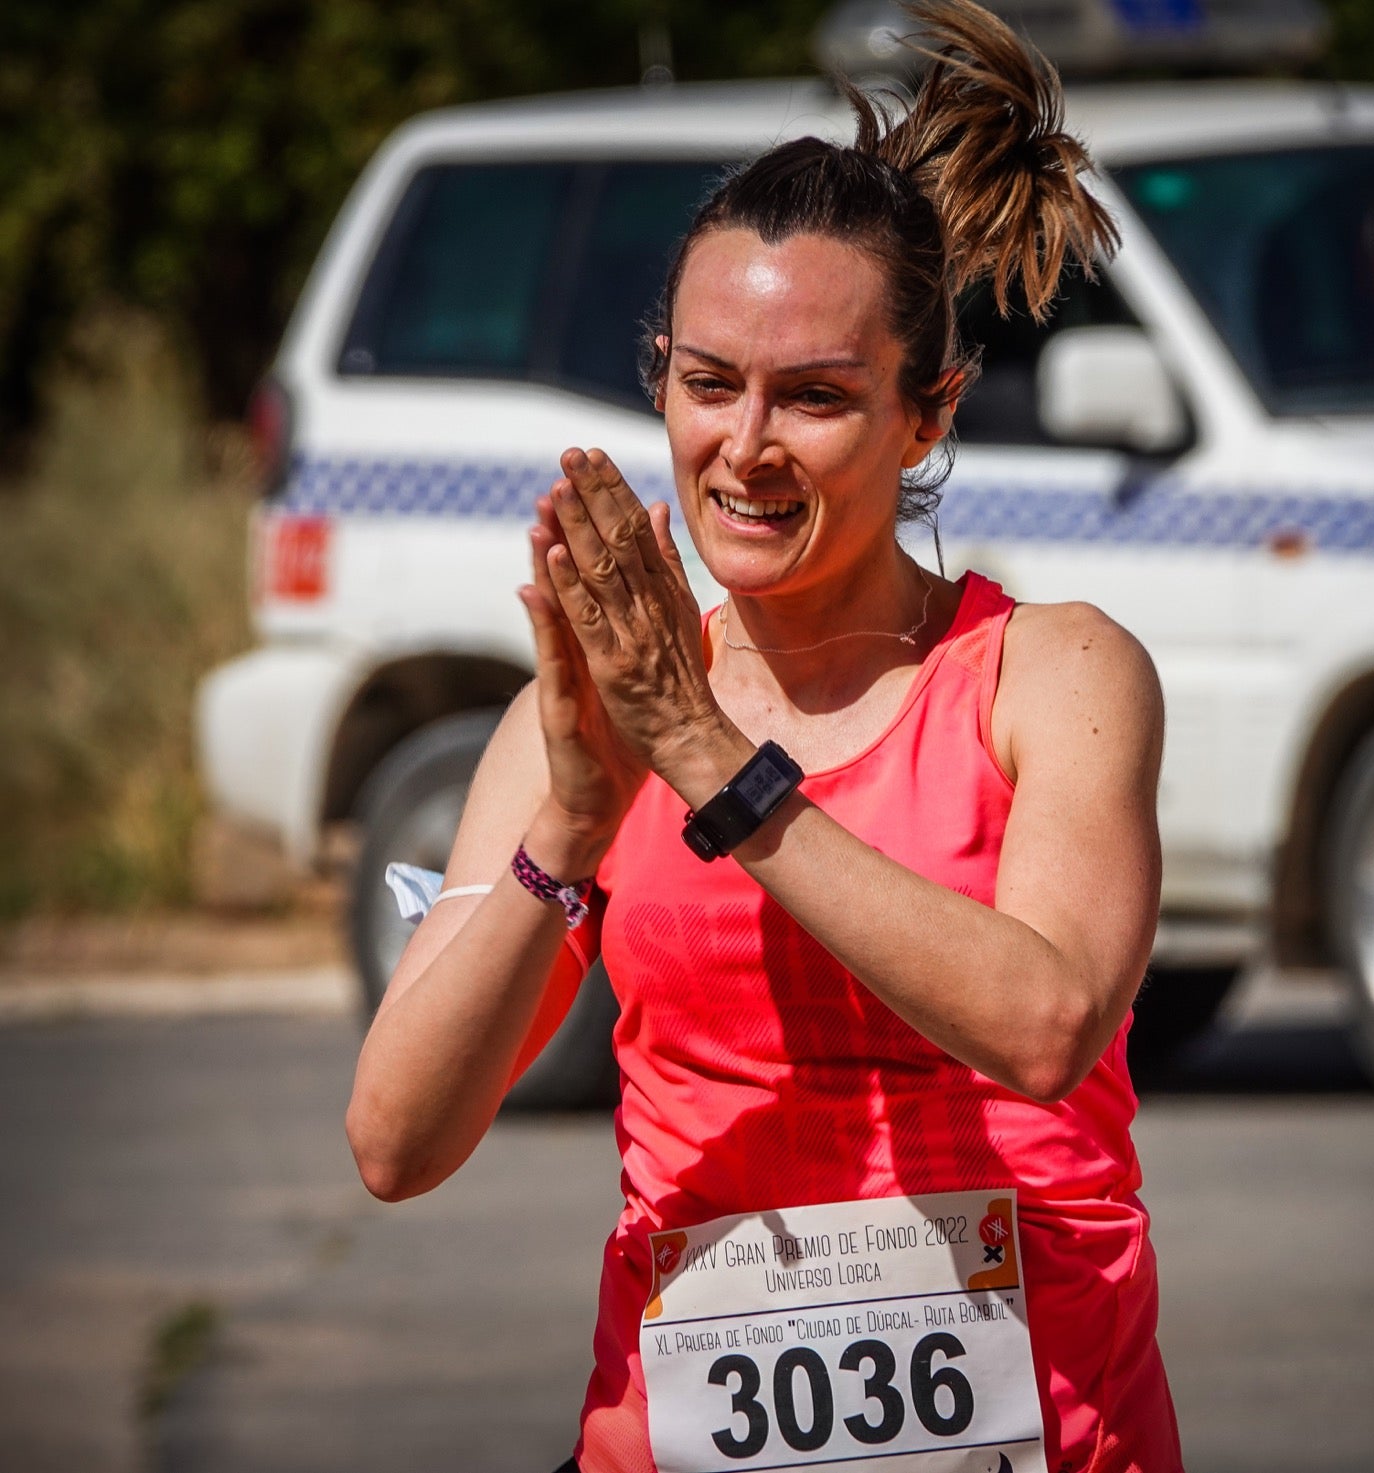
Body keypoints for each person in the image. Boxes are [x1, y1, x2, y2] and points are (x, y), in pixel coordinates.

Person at [346, 3, 1183, 1469]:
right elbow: (396, 1142)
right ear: (660, 376)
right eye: (709, 383)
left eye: (817, 398)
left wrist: (717, 764)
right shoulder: (599, 720)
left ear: (929, 416)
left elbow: (1049, 1025)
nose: (746, 446)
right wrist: (574, 818)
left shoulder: (1052, 673)